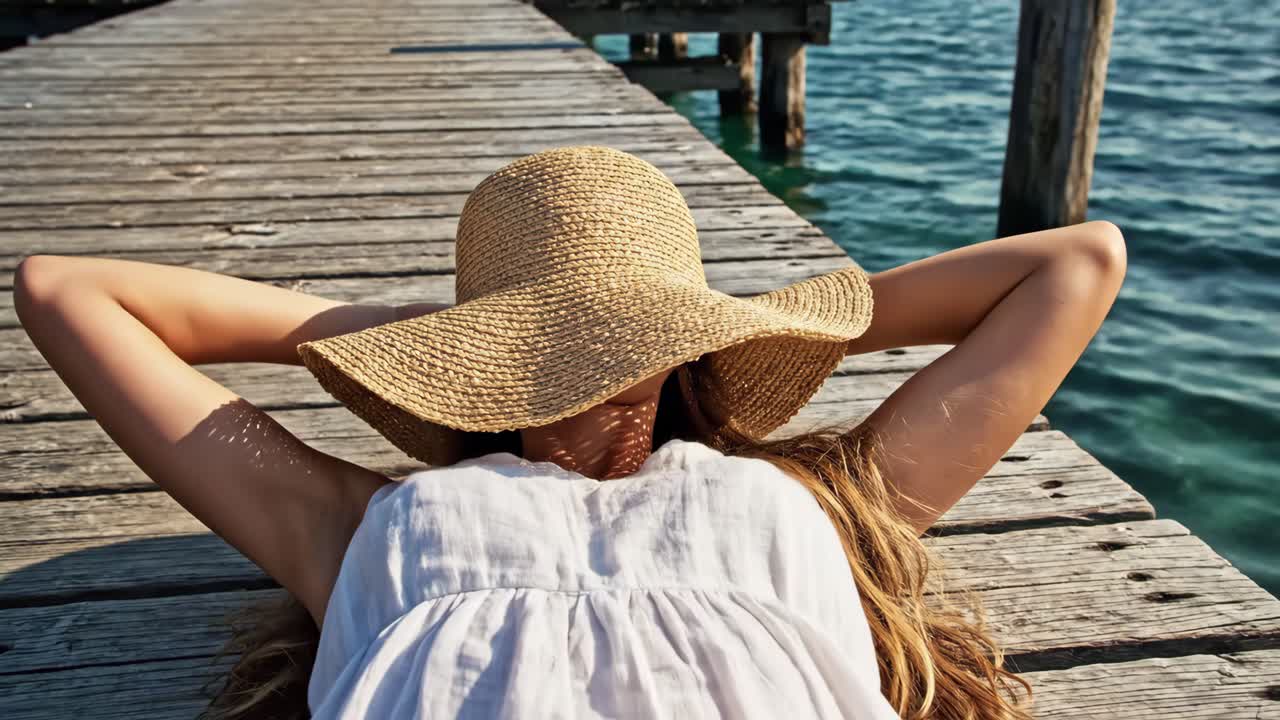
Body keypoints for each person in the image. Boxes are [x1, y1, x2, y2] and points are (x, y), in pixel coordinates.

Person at [13, 145, 1125, 720]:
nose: (582, 366)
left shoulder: (831, 502)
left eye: (621, 334)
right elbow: (64, 290)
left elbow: (1074, 261)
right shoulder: (351, 527)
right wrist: (395, 328)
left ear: (683, 347)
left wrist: (775, 318)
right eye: (536, 340)